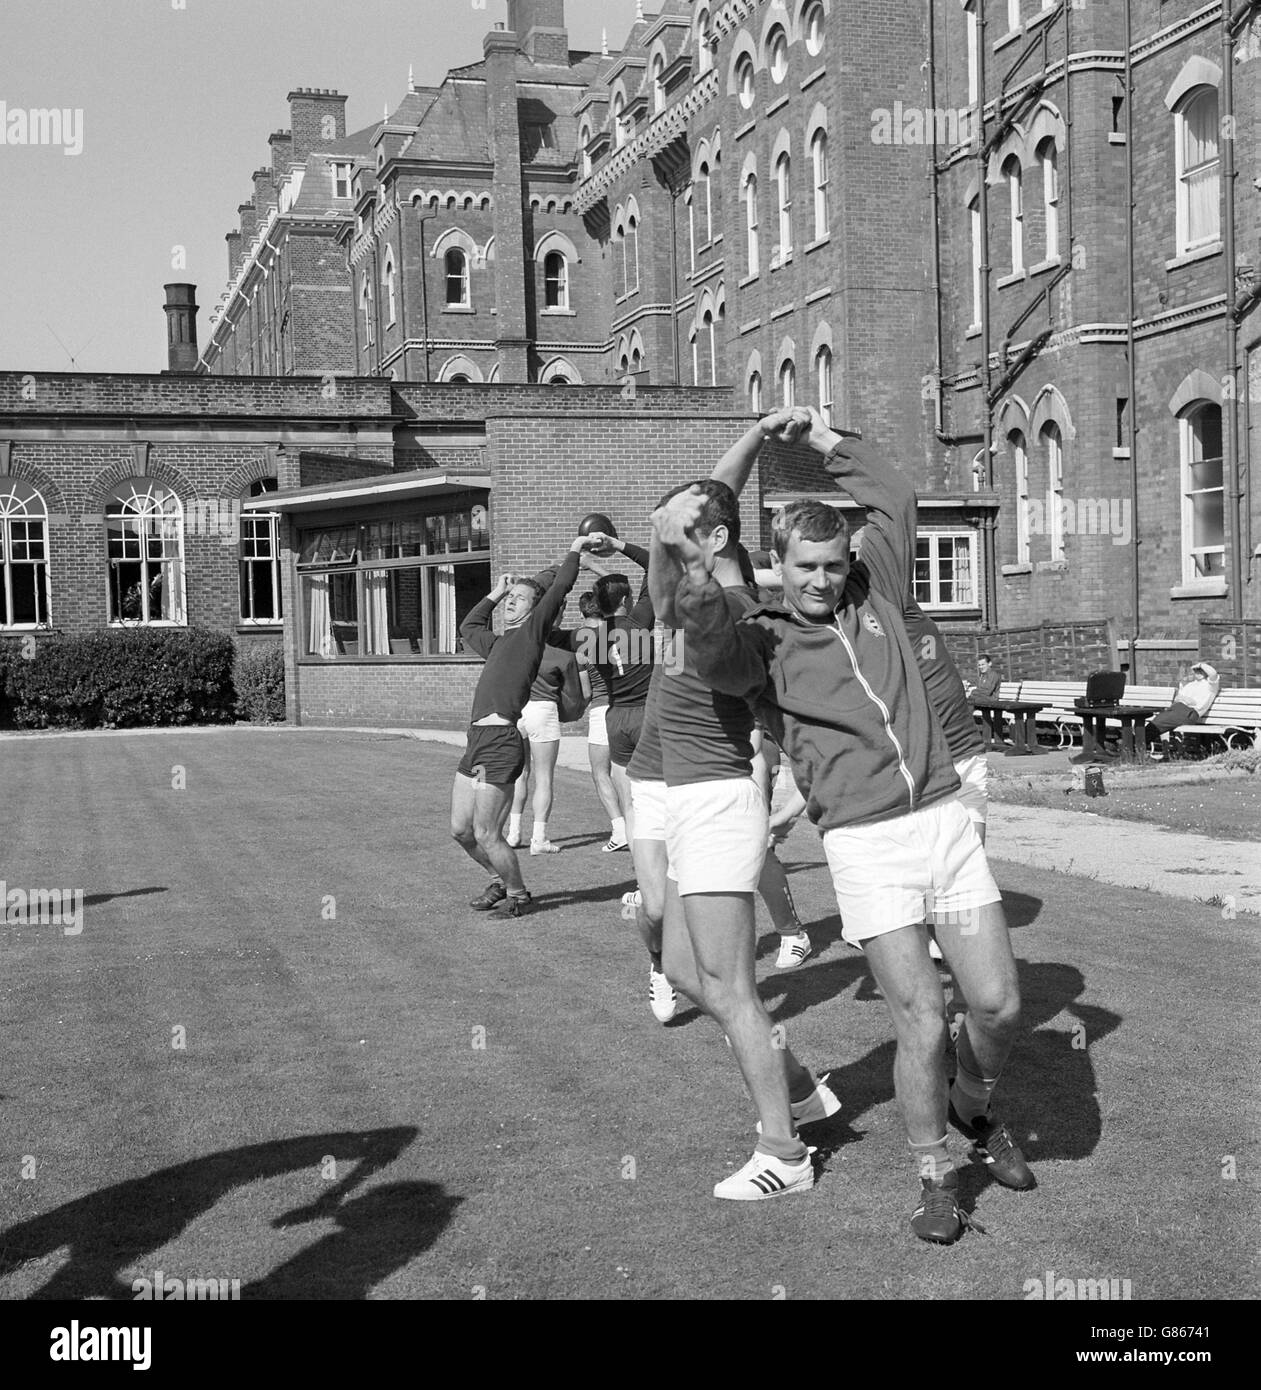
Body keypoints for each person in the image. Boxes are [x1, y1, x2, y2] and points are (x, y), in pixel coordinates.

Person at [664, 407, 1033, 1242]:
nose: (822, 581)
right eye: (805, 566)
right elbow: (709, 639)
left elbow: (892, 492)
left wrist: (816, 437)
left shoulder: (878, 589)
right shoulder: (760, 643)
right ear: (777, 565)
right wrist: (696, 557)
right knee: (922, 1018)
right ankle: (933, 1172)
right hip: (865, 846)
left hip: (942, 821)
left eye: (833, 564)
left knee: (1000, 1005)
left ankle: (971, 1109)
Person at [638, 409, 839, 1203]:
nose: (660, 534)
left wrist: (691, 533)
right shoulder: (685, 591)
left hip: (721, 801)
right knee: (687, 970)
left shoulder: (740, 615)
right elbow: (710, 497)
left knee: (730, 986)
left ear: (712, 543)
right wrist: (757, 436)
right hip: (687, 799)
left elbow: (725, 658)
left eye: (675, 528)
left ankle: (784, 1153)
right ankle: (803, 1090)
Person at [450, 538, 592, 917]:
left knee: (486, 832)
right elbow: (469, 625)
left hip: (500, 742)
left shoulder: (531, 637)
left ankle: (518, 893)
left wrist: (576, 548)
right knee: (461, 831)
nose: (513, 601)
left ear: (536, 610)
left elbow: (560, 585)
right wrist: (496, 592)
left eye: (520, 598)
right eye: (511, 597)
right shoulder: (497, 643)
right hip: (476, 740)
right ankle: (500, 881)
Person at [506, 631, 579, 855]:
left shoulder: (513, 651)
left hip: (517, 710)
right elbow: (573, 698)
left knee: (520, 774)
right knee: (544, 777)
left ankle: (514, 833)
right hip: (543, 709)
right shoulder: (561, 655)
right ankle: (539, 838)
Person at [572, 590, 628, 849]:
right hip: (629, 706)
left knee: (600, 773)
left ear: (582, 612)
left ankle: (620, 831)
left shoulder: (582, 644)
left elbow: (585, 692)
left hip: (601, 709)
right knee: (627, 772)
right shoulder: (623, 633)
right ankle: (636, 826)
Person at [1146, 661, 1220, 759]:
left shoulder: (1211, 685)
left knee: (1158, 723)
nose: (1198, 672)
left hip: (1189, 713)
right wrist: (1186, 700)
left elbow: (1213, 673)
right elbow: (1178, 698)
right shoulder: (1190, 685)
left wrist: (1201, 665)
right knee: (1156, 722)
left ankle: (1136, 747)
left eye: (1201, 670)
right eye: (1196, 670)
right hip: (1177, 709)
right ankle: (1137, 746)